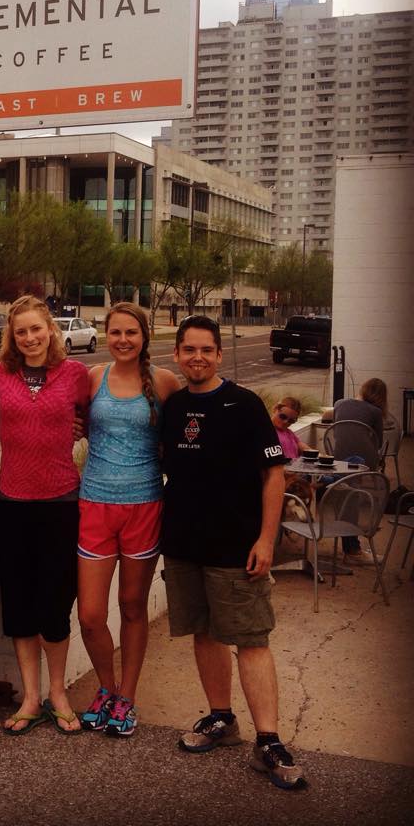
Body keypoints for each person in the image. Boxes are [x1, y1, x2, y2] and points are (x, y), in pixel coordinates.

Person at [160, 315, 307, 790]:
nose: (197, 357)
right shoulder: (174, 406)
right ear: (177, 354)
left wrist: (266, 540)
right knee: (204, 634)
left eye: (206, 349)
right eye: (189, 350)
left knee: (251, 640)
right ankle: (222, 719)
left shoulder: (244, 405)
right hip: (184, 545)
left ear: (219, 354)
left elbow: (274, 476)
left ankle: (269, 740)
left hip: (236, 549)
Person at [77, 303, 180, 737]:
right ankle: (106, 687)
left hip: (144, 505)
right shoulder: (93, 378)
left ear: (145, 336)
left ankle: (127, 698)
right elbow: (72, 424)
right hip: (94, 504)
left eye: (131, 333)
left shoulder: (164, 383)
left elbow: (182, 436)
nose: (122, 340)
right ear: (106, 334)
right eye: (115, 332)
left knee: (133, 606)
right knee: (90, 615)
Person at [0, 296, 91, 735]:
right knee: (19, 605)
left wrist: (80, 426)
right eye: (21, 331)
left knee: (55, 604)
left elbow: (89, 419)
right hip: (12, 503)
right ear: (11, 337)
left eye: (36, 329)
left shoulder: (75, 375)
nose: (29, 338)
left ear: (51, 329)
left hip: (61, 502)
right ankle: (30, 697)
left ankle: (57, 692)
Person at [332, 378, 387, 563]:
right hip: (363, 461)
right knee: (352, 497)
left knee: (347, 495)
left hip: (338, 458)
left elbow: (336, 430)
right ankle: (353, 550)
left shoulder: (339, 403)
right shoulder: (376, 412)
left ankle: (351, 545)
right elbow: (378, 441)